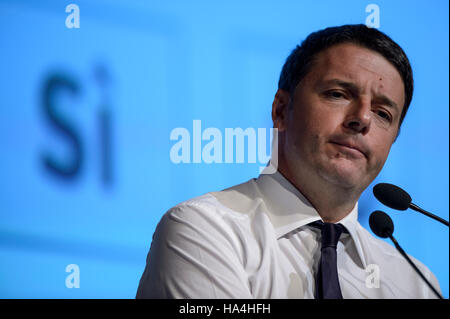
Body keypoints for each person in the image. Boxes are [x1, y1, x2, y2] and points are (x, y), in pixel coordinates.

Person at [136, 24, 441, 298]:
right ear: (281, 110)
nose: (362, 119)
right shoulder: (205, 231)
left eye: (383, 114)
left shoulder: (415, 284)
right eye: (338, 94)